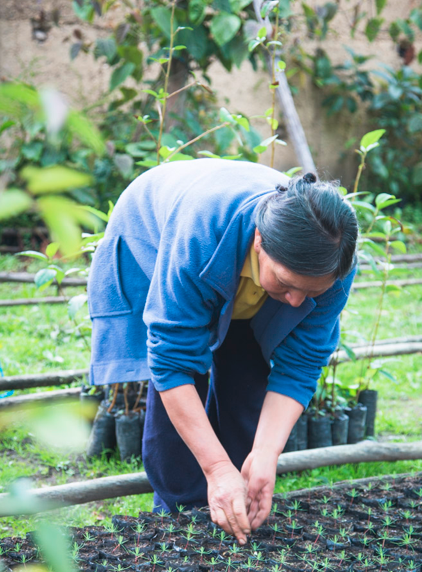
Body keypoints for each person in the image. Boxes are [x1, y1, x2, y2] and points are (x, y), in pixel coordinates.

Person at [88, 158, 358, 545]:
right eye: (285, 284)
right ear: (261, 242)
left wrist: (265, 455)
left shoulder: (333, 262)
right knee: (178, 419)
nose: (297, 302)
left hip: (238, 257)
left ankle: (233, 509)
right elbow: (173, 364)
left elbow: (299, 367)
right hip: (156, 233)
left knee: (248, 387)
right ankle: (177, 520)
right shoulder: (201, 231)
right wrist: (215, 468)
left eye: (311, 292)